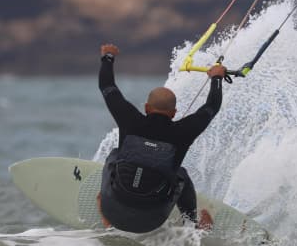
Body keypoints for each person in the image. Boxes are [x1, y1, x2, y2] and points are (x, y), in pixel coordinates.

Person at [96, 43, 227, 233]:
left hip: (113, 209)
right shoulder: (183, 131)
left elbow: (107, 86)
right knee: (180, 175)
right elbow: (211, 107)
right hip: (152, 219)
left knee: (114, 156)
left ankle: (105, 215)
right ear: (174, 113)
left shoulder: (129, 119)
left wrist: (108, 56)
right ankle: (192, 225)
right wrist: (216, 77)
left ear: (147, 108)